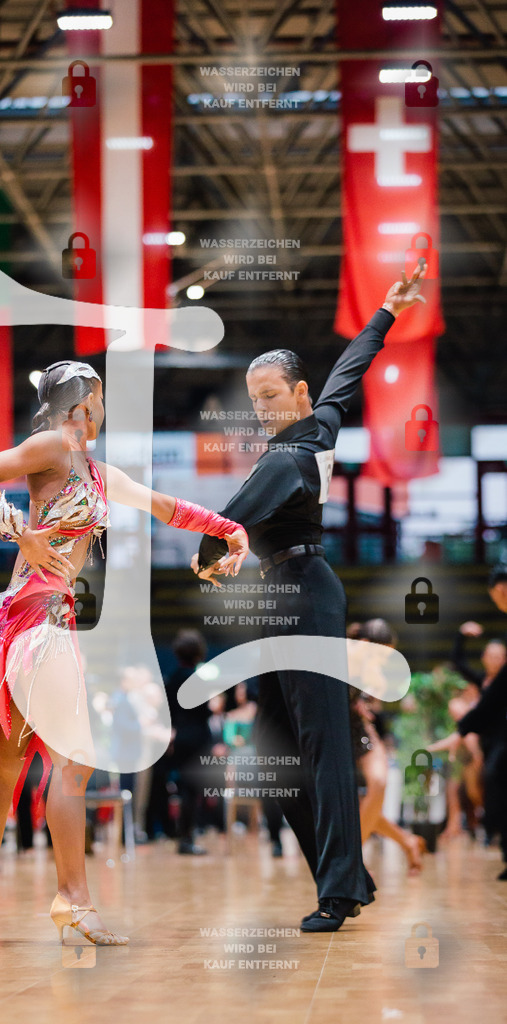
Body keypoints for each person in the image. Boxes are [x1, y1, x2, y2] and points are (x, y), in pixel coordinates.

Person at [0, 359, 249, 945]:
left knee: (7, 762)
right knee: (73, 761)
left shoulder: (96, 470)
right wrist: (22, 534)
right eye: (99, 396)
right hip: (39, 621)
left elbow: (166, 506)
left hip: (29, 620)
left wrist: (229, 529)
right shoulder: (55, 443)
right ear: (84, 401)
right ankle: (74, 901)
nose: (102, 406)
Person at [192, 265, 427, 931]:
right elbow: (349, 370)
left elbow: (231, 519)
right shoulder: (314, 427)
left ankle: (340, 891)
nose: (261, 406)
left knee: (322, 743)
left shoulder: (290, 458)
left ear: (297, 392)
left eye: (271, 394)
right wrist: (384, 310)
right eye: (253, 397)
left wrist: (210, 547)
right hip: (277, 600)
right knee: (272, 749)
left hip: (306, 596)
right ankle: (343, 873)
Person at [429, 565, 507, 880]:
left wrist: (461, 731)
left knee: (492, 774)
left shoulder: (498, 680)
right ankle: (485, 830)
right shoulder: (485, 680)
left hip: (493, 735)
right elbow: (461, 665)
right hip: (489, 735)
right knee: (487, 777)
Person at [349, 619, 426, 873]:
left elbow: (375, 694)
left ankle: (351, 860)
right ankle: (408, 840)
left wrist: (362, 699)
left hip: (360, 732)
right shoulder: (347, 654)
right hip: (337, 737)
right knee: (354, 805)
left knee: (378, 784)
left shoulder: (368, 665)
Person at [164, 629, 213, 855]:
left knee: (184, 789)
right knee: (193, 792)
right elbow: (205, 712)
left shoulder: (172, 678)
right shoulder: (197, 679)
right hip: (197, 740)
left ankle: (184, 836)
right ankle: (186, 839)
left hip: (180, 739)